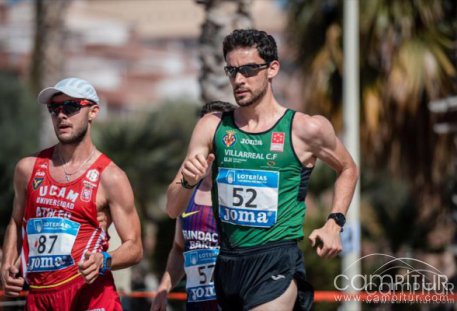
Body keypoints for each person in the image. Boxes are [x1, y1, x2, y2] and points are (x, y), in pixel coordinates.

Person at [166, 29, 359, 311]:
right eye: (232, 71)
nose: (238, 79)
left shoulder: (305, 128)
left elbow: (348, 168)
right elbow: (172, 209)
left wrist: (334, 223)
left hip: (276, 260)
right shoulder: (213, 126)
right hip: (228, 264)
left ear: (272, 69)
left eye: (248, 69)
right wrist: (186, 181)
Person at [0, 77, 143, 310]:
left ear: (93, 112)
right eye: (54, 109)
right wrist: (6, 265)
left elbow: (135, 247)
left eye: (71, 107)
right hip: (41, 297)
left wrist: (105, 260)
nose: (61, 115)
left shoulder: (111, 177)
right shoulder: (28, 168)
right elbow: (16, 222)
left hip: (90, 295)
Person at [151, 101, 236, 311]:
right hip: (197, 305)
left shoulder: (241, 192)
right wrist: (164, 289)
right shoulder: (188, 191)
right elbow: (180, 249)